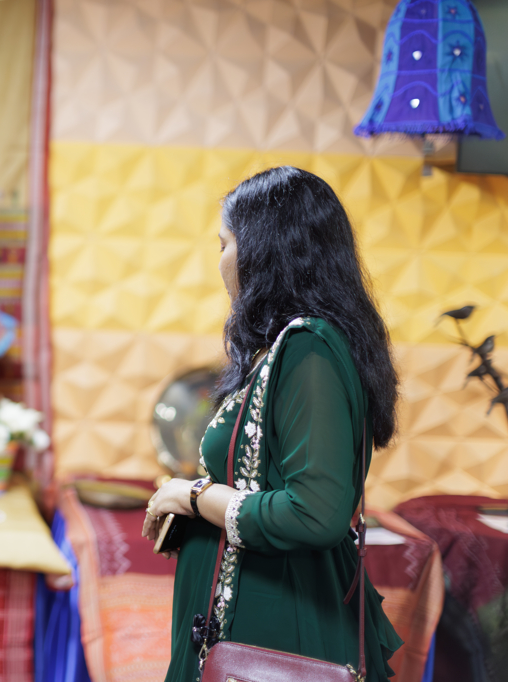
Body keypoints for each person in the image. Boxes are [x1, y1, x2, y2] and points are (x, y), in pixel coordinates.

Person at [141, 166, 402, 681]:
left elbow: (314, 514)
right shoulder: (283, 347)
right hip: (247, 616)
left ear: (263, 250)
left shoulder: (309, 349)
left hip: (275, 630)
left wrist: (192, 495)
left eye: (225, 245)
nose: (220, 262)